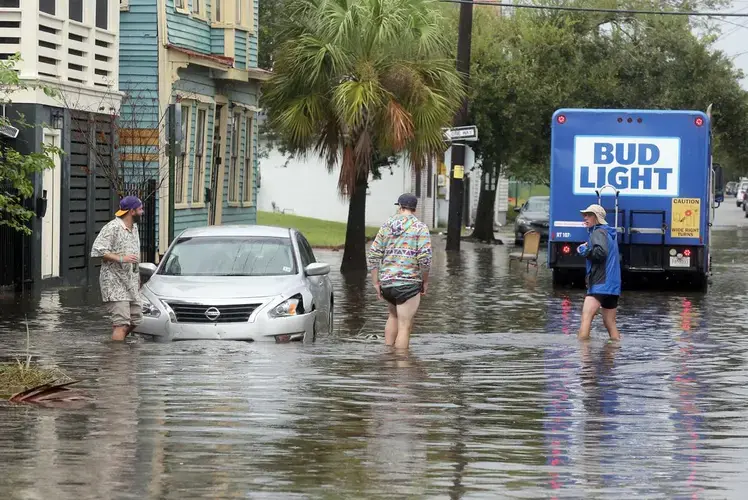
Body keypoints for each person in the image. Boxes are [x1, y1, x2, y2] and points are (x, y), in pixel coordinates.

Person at [367, 193, 432, 349]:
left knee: (393, 316)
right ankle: (400, 366)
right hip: (408, 285)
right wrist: (425, 281)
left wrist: (376, 282)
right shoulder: (420, 228)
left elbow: (373, 256)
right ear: (414, 209)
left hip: (387, 284)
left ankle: (388, 359)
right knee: (405, 325)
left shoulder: (386, 226)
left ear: (400, 207)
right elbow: (425, 260)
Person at [90, 196, 144, 341]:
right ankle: (117, 359)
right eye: (140, 209)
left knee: (136, 319)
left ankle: (115, 344)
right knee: (121, 323)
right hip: (114, 283)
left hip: (130, 283)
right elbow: (97, 250)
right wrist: (121, 258)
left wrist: (137, 278)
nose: (142, 212)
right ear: (131, 211)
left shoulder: (135, 228)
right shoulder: (112, 227)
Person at [576, 204, 621, 341]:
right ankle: (613, 354)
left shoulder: (597, 232)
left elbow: (601, 253)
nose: (585, 217)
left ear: (597, 218)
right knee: (610, 324)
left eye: (589, 215)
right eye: (584, 214)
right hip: (613, 286)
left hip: (600, 283)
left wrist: (584, 250)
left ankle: (583, 356)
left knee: (586, 317)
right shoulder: (609, 233)